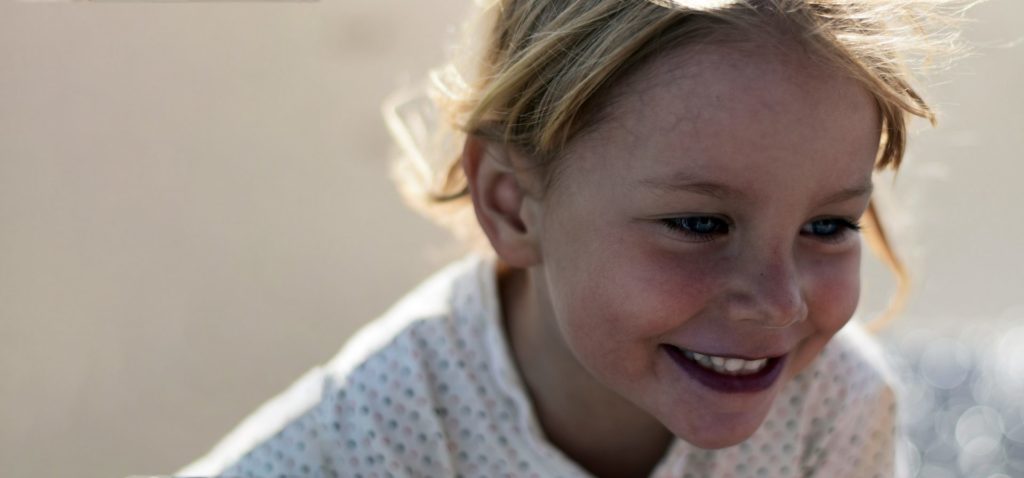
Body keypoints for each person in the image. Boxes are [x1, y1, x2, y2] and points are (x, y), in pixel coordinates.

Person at [177, 1, 966, 476]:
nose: (778, 302)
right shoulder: (381, 432)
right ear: (512, 204)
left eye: (827, 226)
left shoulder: (836, 409)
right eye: (700, 224)